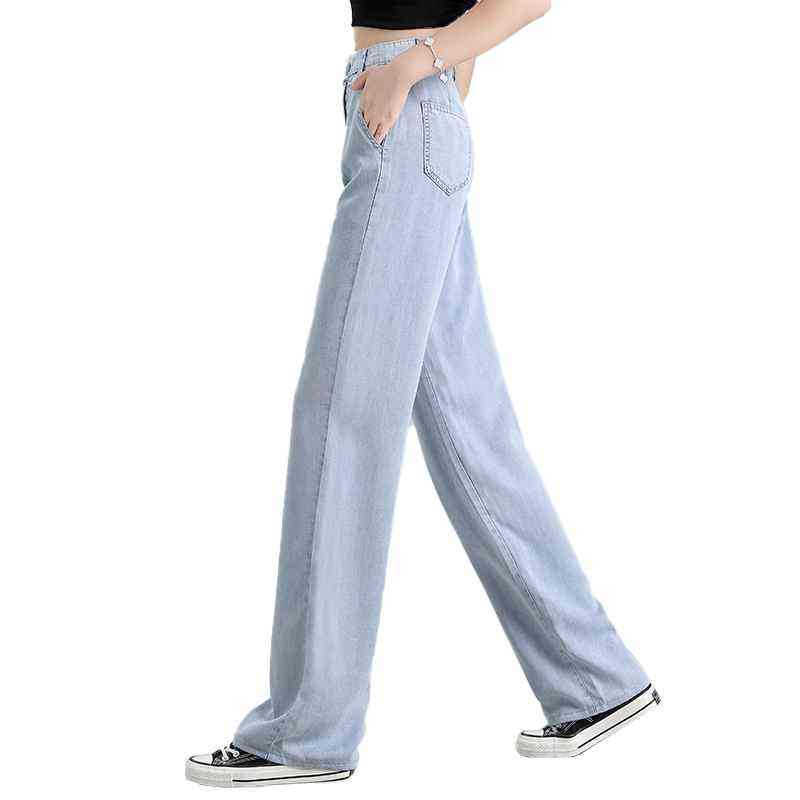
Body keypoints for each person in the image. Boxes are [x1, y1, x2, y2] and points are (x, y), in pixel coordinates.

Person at [186, 0, 659, 787]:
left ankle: (309, 732)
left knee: (340, 420)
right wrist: (421, 76)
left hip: (407, 118)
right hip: (413, 120)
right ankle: (595, 677)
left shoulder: (411, 74)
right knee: (470, 432)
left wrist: (413, 65)